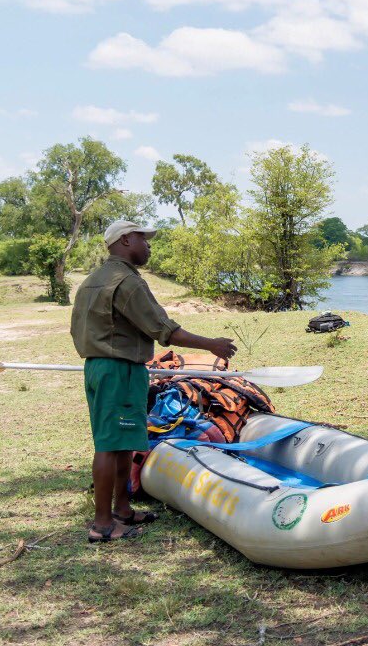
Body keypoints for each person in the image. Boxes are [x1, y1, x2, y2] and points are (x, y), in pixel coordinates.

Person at [70, 220, 237, 542]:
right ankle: (103, 524)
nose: (149, 246)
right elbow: (165, 330)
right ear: (126, 239)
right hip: (118, 370)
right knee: (108, 445)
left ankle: (122, 509)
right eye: (144, 240)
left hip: (102, 368)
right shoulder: (127, 282)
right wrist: (211, 344)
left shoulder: (93, 280)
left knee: (122, 443)